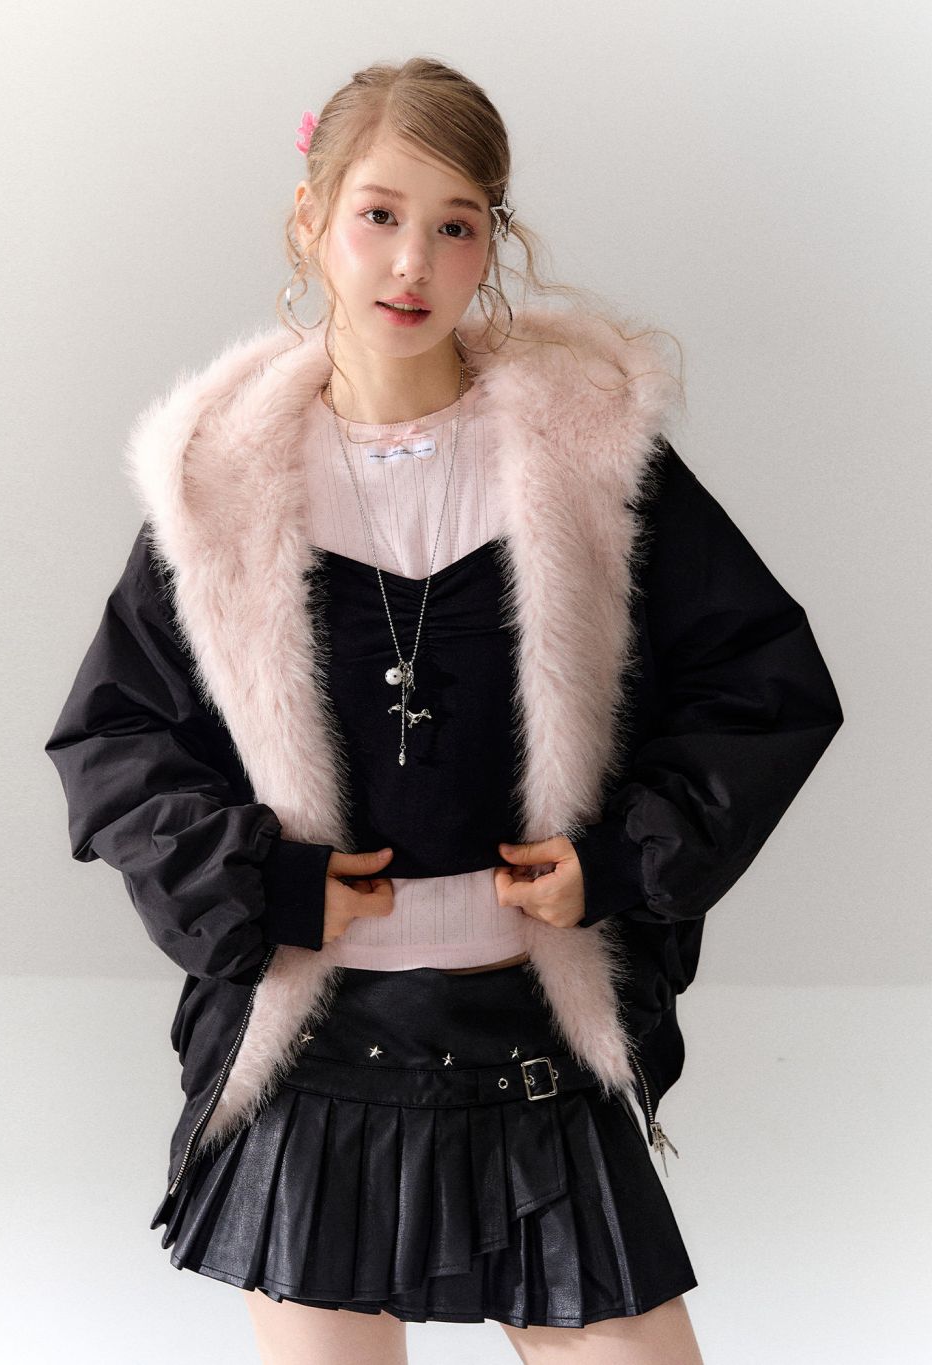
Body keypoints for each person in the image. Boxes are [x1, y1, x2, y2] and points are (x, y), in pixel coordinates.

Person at [45, 56, 844, 1364]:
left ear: (493, 244)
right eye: (380, 214)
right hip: (317, 1058)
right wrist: (262, 885)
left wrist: (621, 859)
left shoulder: (586, 460)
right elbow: (114, 741)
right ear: (312, 220)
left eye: (457, 225)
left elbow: (762, 679)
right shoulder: (226, 485)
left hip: (528, 1043)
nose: (413, 261)